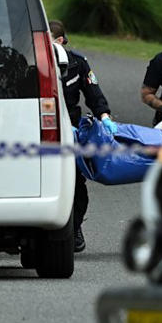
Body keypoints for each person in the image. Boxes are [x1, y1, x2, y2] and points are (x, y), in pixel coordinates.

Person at [49, 20, 117, 253]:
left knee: (76, 185)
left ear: (60, 42)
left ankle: (74, 228)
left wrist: (105, 117)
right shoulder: (33, 61)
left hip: (73, 131)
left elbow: (93, 93)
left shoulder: (77, 63)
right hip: (44, 130)